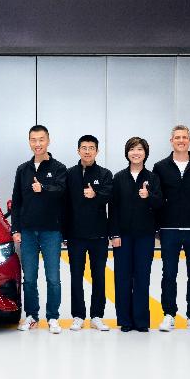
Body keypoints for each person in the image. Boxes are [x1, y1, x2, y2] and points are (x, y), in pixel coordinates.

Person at [151, 125, 190, 333]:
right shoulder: (160, 167)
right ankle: (169, 314)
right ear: (171, 141)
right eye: (177, 137)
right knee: (169, 274)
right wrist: (156, 228)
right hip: (169, 228)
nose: (181, 140)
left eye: (185, 137)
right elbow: (156, 199)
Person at [10, 125, 68, 334]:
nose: (37, 144)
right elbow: (16, 202)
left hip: (51, 231)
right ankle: (32, 315)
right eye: (33, 140)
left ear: (48, 141)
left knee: (53, 277)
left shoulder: (59, 168)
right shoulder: (23, 169)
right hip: (27, 232)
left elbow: (62, 192)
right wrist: (16, 229)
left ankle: (53, 317)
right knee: (29, 278)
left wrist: (43, 188)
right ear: (29, 142)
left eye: (41, 139)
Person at [108, 137, 164, 332]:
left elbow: (160, 203)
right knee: (122, 278)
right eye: (132, 149)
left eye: (140, 149)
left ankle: (141, 321)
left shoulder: (153, 178)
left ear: (145, 153)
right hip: (122, 236)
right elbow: (113, 208)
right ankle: (125, 320)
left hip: (145, 236)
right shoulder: (119, 178)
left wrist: (149, 196)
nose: (136, 153)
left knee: (142, 277)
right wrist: (114, 234)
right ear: (127, 153)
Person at [63, 134, 113, 332]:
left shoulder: (105, 174)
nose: (87, 151)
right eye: (84, 148)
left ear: (97, 151)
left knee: (99, 276)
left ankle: (97, 316)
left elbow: (109, 197)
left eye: (91, 148)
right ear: (78, 151)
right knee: (76, 276)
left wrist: (95, 194)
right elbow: (64, 204)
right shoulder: (69, 174)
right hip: (75, 235)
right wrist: (64, 234)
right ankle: (78, 316)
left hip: (99, 235)